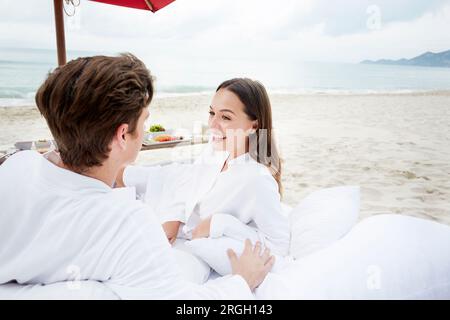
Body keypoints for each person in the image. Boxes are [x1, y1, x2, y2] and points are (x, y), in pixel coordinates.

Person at [0, 54, 274, 299]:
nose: (144, 130)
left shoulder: (17, 166)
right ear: (122, 135)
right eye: (144, 121)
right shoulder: (128, 224)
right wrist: (243, 281)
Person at [122, 79, 290, 265]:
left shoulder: (257, 179)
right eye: (212, 113)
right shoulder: (216, 150)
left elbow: (279, 244)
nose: (213, 125)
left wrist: (219, 223)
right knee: (122, 175)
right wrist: (174, 217)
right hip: (171, 219)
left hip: (190, 249)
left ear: (254, 126)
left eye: (225, 117)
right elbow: (188, 180)